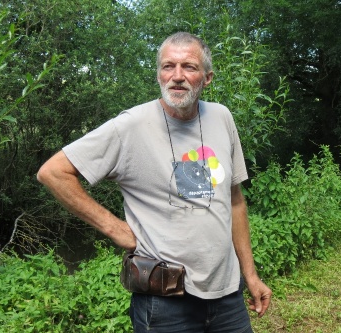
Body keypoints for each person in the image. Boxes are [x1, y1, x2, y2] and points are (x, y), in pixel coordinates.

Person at [37, 31, 272, 332]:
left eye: (189, 66)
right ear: (159, 74)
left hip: (227, 296)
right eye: (167, 66)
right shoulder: (131, 126)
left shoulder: (221, 117)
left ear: (207, 77)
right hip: (165, 302)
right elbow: (53, 172)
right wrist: (115, 228)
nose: (177, 76)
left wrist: (250, 275)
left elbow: (235, 200)